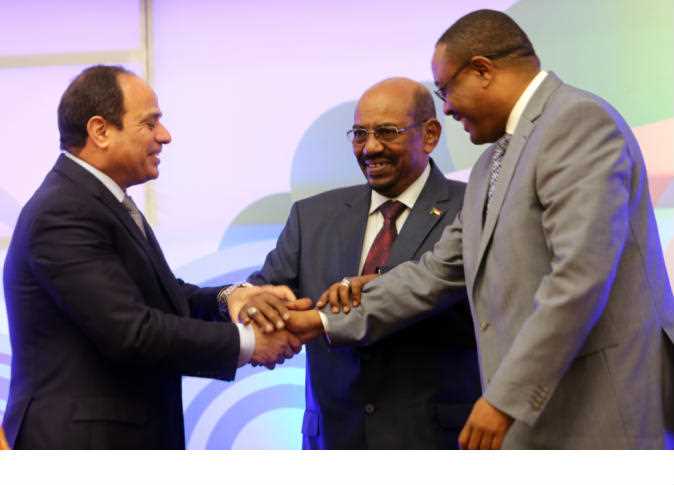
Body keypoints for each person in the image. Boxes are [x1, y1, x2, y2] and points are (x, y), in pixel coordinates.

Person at [262, 10, 674, 449]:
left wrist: (503, 399)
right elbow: (436, 272)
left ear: (482, 70)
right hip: (539, 420)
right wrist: (321, 321)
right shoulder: (489, 166)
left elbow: (579, 277)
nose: (447, 107)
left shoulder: (576, 122)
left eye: (446, 90)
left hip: (601, 412)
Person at [2, 65, 300, 449]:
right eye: (150, 123)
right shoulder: (63, 211)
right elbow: (131, 332)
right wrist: (248, 341)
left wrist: (231, 298)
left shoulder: (97, 200)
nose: (165, 135)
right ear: (100, 131)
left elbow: (160, 297)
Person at [241, 77, 481, 448]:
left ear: (430, 135)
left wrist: (342, 308)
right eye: (359, 134)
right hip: (334, 438)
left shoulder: (473, 208)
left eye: (386, 132)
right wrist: (251, 310)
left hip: (435, 439)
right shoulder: (312, 217)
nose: (370, 148)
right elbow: (265, 294)